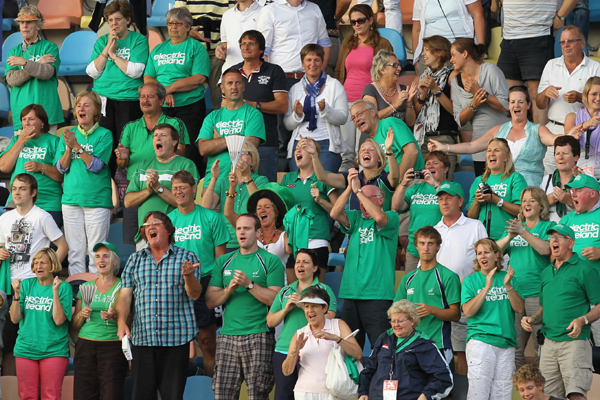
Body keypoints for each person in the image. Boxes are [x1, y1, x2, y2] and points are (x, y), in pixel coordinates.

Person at [116, 211, 202, 400]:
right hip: (143, 340)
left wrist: (188, 276)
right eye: (147, 225)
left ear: (169, 230)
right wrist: (121, 322)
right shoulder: (134, 259)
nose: (150, 227)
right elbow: (124, 297)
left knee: (173, 396)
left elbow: (195, 294)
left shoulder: (187, 257)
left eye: (156, 223)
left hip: (175, 341)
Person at [206, 213, 284, 400]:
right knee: (222, 395)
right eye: (239, 228)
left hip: (259, 335)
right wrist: (228, 290)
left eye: (247, 228)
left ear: (258, 232)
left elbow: (276, 300)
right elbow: (210, 301)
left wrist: (249, 285)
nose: (241, 232)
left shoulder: (271, 261)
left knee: (258, 394)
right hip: (227, 336)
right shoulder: (223, 261)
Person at [431, 86, 570, 187]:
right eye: (512, 102)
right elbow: (472, 146)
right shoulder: (499, 130)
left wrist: (569, 135)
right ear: (508, 105)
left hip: (529, 192)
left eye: (521, 102)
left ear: (528, 105)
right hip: (502, 189)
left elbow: (554, 139)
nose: (516, 105)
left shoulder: (538, 129)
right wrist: (444, 147)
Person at [522, 223, 600, 400]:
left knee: (576, 394)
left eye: (559, 237)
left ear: (571, 243)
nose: (553, 240)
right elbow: (544, 308)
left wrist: (582, 320)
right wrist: (532, 318)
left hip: (574, 343)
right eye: (551, 237)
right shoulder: (546, 272)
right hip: (548, 344)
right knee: (548, 396)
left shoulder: (585, 269)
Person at [0, 173, 68, 377]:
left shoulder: (42, 216)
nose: (17, 192)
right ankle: (12, 391)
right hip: (9, 288)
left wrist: (48, 272)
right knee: (9, 346)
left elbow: (63, 246)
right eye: (14, 188)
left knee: (30, 344)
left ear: (33, 192)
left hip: (33, 287)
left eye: (22, 188)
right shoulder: (4, 218)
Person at [168, 170, 230, 378]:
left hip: (206, 283)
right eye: (175, 188)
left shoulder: (211, 218)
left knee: (207, 342)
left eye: (182, 187)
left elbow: (221, 259)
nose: (178, 192)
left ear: (194, 189)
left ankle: (212, 387)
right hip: (177, 286)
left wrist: (217, 286)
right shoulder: (168, 221)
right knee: (177, 344)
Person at [256, 0, 331, 171]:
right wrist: (271, 81)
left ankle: (312, 178)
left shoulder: (314, 9)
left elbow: (325, 44)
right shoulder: (270, 10)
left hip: (311, 80)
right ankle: (283, 180)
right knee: (283, 135)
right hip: (282, 80)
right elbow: (264, 51)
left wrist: (318, 76)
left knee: (312, 132)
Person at [330, 170, 400, 348]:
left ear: (381, 200)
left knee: (382, 348)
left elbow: (379, 217)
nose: (362, 203)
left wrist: (359, 191)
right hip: (351, 293)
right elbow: (334, 213)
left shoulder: (392, 217)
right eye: (360, 199)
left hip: (377, 295)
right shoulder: (355, 218)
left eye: (367, 197)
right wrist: (349, 188)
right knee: (350, 349)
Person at [116, 82, 190, 244]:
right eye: (142, 97)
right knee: (136, 244)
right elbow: (122, 164)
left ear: (162, 100)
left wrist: (160, 160)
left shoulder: (175, 124)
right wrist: (123, 157)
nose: (145, 100)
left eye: (150, 96)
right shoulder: (130, 127)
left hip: (168, 188)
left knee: (170, 242)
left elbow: (181, 154)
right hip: (136, 190)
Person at [86, 0, 149, 177]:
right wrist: (107, 49)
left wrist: (113, 55)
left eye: (118, 19)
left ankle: (127, 183)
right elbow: (92, 72)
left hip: (128, 100)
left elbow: (136, 71)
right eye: (110, 20)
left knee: (125, 144)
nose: (114, 23)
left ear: (128, 20)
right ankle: (108, 182)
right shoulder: (102, 42)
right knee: (106, 143)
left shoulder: (138, 40)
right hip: (103, 100)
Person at [144, 7, 210, 170]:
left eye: (178, 23)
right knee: (163, 149)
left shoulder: (196, 47)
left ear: (188, 27)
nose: (173, 27)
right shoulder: (158, 49)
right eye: (170, 23)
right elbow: (148, 78)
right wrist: (164, 92)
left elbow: (198, 78)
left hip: (190, 107)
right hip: (162, 108)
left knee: (190, 152)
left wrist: (168, 90)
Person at [496, 187, 555, 369]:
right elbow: (493, 253)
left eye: (532, 200)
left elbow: (546, 249)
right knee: (514, 349)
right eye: (524, 201)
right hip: (515, 293)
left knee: (541, 348)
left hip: (538, 295)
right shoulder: (514, 227)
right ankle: (518, 385)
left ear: (541, 206)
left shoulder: (548, 227)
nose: (526, 204)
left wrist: (523, 232)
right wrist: (509, 237)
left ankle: (541, 386)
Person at [433, 181, 487, 375]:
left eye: (449, 198)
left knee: (465, 352)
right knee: (441, 350)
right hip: (438, 300)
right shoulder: (434, 230)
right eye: (441, 199)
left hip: (466, 297)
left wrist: (469, 282)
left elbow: (485, 260)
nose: (444, 202)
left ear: (460, 201)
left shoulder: (475, 226)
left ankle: (466, 390)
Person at [56, 91, 113, 275]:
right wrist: (68, 148)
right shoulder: (68, 135)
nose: (81, 108)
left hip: (97, 201)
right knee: (74, 253)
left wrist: (77, 147)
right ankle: (77, 289)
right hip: (71, 200)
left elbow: (96, 165)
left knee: (97, 253)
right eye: (78, 105)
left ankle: (96, 290)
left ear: (96, 111)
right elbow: (61, 167)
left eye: (86, 105)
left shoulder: (105, 134)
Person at [496, 0, 578, 124]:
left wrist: (561, 16)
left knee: (538, 93)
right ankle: (518, 135)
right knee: (511, 94)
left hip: (538, 32)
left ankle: (541, 135)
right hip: (509, 36)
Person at [462, 238, 524, 400]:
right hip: (481, 342)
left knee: (502, 396)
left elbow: (519, 308)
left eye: (486, 252)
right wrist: (486, 287)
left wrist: (508, 286)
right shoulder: (470, 280)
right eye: (479, 253)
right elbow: (468, 312)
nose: (482, 256)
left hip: (506, 344)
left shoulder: (508, 278)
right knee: (479, 395)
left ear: (496, 255)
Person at [269, 257, 338, 400]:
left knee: (310, 394)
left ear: (315, 268)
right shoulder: (285, 291)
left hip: (314, 350)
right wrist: (286, 309)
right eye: (297, 262)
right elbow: (270, 322)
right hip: (285, 349)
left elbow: (330, 315)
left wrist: (303, 305)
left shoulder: (324, 289)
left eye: (305, 262)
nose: (300, 265)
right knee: (283, 395)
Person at [335, 5, 393, 172]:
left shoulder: (382, 43)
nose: (356, 25)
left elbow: (389, 72)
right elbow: (339, 70)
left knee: (365, 150)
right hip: (346, 100)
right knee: (346, 153)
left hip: (367, 103)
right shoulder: (348, 42)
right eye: (353, 22)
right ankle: (347, 185)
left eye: (360, 20)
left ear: (371, 20)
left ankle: (366, 184)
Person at [358, 299, 454, 400]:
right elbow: (369, 369)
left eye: (400, 321)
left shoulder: (424, 345)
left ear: (412, 321)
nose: (396, 325)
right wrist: (363, 392)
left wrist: (426, 395)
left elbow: (444, 378)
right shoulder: (384, 338)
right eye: (393, 321)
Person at [10, 248, 72, 400]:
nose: (38, 266)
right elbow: (14, 319)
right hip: (26, 349)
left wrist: (55, 292)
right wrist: (16, 295)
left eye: (43, 263)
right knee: (26, 396)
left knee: (51, 396)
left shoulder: (64, 287)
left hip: (54, 350)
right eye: (36, 263)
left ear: (52, 265)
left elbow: (59, 320)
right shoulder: (26, 285)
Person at [124, 123, 199, 249]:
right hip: (147, 234)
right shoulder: (142, 166)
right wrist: (148, 190)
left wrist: (158, 187)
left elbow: (187, 202)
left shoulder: (185, 165)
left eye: (163, 135)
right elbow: (127, 202)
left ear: (174, 142)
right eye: (155, 136)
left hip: (175, 234)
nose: (158, 138)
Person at [537, 26, 600, 174]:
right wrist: (545, 93)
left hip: (584, 133)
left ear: (582, 43)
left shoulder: (595, 67)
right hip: (554, 129)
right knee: (552, 177)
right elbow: (540, 104)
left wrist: (580, 97)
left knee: (581, 179)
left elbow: (598, 99)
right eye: (562, 42)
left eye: (570, 41)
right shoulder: (551, 65)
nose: (566, 45)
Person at [394, 226, 461, 361]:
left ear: (438, 247)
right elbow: (395, 312)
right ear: (416, 246)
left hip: (438, 345)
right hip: (409, 345)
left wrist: (432, 310)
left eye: (430, 243)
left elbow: (456, 314)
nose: (426, 248)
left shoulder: (448, 276)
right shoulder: (408, 279)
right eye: (422, 243)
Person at [283, 287, 362, 399]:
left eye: (314, 306)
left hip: (335, 391)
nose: (310, 310)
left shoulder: (338, 324)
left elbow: (358, 354)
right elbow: (287, 371)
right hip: (304, 392)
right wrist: (295, 351)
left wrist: (336, 338)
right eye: (306, 306)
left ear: (325, 308)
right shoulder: (299, 333)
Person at [72, 242, 127, 400]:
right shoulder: (86, 287)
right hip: (85, 344)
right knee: (83, 394)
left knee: (112, 393)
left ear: (115, 261)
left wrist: (113, 316)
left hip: (112, 345)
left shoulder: (123, 286)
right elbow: (75, 325)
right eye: (97, 256)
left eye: (106, 256)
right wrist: (81, 315)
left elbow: (128, 320)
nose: (101, 260)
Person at [232, 30, 288, 182]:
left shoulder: (274, 71)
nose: (246, 47)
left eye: (251, 43)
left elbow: (282, 106)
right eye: (243, 43)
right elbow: (224, 105)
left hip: (266, 142)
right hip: (236, 143)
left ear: (261, 49)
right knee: (237, 188)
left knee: (265, 189)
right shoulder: (233, 71)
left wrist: (253, 105)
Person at [197, 67, 265, 188]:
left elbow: (249, 147)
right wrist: (233, 139)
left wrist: (217, 142)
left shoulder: (254, 114)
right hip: (213, 183)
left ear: (243, 86)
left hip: (243, 182)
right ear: (222, 88)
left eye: (238, 83)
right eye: (229, 83)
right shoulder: (212, 117)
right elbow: (203, 148)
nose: (234, 87)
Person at [450, 38, 510, 176]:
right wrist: (473, 105)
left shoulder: (490, 70)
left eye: (453, 55)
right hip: (479, 148)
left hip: (502, 143)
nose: (451, 60)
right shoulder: (455, 81)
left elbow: (507, 106)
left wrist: (480, 93)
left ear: (465, 54)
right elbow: (459, 120)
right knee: (483, 187)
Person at [285, 44, 348, 173]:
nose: (312, 64)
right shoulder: (295, 89)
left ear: (322, 62)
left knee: (324, 184)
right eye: (308, 60)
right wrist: (297, 115)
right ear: (302, 63)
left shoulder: (334, 85)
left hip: (326, 145)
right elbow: (287, 125)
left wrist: (326, 110)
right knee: (300, 182)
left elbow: (343, 118)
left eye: (317, 60)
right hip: (300, 143)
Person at [281, 139, 338, 280]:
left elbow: (338, 212)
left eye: (303, 148)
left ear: (314, 153)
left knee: (316, 290)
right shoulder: (287, 178)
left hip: (317, 238)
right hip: (293, 242)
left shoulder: (325, 177)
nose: (297, 151)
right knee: (293, 289)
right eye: (296, 148)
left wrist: (320, 201)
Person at [0, 105, 63, 223]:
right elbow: (4, 167)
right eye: (24, 119)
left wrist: (41, 167)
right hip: (18, 201)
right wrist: (21, 141)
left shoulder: (54, 141)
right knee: (15, 234)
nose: (27, 123)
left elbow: (61, 176)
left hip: (47, 202)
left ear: (42, 122)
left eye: (31, 119)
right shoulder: (16, 140)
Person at [6, 6, 63, 134]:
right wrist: (36, 64)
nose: (24, 26)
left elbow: (47, 72)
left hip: (47, 114)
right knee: (23, 148)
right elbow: (12, 80)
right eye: (21, 22)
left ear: (38, 26)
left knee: (48, 148)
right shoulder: (14, 51)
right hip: (22, 115)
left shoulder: (50, 47)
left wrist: (25, 63)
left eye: (29, 22)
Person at [202, 141, 269, 252]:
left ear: (252, 161)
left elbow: (260, 205)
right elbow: (206, 207)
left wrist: (247, 177)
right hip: (225, 240)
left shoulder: (261, 180)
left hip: (252, 239)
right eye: (236, 153)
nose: (238, 157)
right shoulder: (223, 181)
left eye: (243, 153)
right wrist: (214, 178)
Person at [392, 151, 450, 272]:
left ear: (446, 169)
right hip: (415, 249)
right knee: (412, 282)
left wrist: (435, 184)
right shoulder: (416, 188)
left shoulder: (451, 187)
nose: (430, 166)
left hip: (440, 248)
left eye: (435, 163)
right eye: (428, 163)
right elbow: (396, 206)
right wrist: (403, 184)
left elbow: (450, 205)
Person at [310, 134, 398, 212]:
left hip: (378, 225)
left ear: (379, 158)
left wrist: (389, 151)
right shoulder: (353, 178)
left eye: (371, 150)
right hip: (355, 226)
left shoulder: (384, 178)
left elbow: (395, 177)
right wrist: (314, 156)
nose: (366, 151)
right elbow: (323, 177)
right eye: (363, 150)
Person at [413, 36, 460, 180]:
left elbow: (455, 111)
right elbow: (416, 114)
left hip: (444, 138)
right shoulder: (423, 76)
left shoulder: (453, 75)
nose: (423, 54)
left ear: (439, 52)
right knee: (423, 186)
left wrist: (435, 89)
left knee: (443, 186)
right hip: (423, 139)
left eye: (427, 50)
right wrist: (422, 96)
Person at [465, 138, 528, 240]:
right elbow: (471, 217)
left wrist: (497, 200)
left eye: (497, 150)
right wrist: (476, 201)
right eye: (489, 150)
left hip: (508, 238)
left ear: (506, 157)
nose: (491, 153)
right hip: (483, 240)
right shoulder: (478, 180)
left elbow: (523, 210)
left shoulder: (515, 178)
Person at [175, 0, 231, 111]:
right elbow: (177, 17)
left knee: (220, 93)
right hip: (192, 50)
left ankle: (221, 119)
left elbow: (234, 19)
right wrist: (188, 32)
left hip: (218, 51)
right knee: (188, 91)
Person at [350, 100, 425, 180]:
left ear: (372, 112)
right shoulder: (371, 142)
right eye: (353, 118)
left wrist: (397, 182)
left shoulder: (389, 124)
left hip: (412, 182)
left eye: (360, 114)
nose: (356, 119)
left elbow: (412, 151)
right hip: (387, 184)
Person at [412, 0, 485, 75]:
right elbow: (417, 30)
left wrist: (481, 49)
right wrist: (416, 60)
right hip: (431, 48)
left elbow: (477, 15)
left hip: (459, 45)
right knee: (425, 80)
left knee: (462, 80)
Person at [362, 49, 417, 126]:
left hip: (399, 133)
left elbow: (410, 123)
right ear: (382, 70)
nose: (399, 68)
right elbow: (371, 118)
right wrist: (395, 105)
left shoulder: (404, 89)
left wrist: (409, 103)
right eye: (394, 65)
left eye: (399, 65)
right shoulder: (370, 89)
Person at [559, 174, 600, 270]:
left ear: (592, 193)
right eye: (572, 190)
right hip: (570, 276)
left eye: (578, 190)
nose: (572, 194)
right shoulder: (566, 219)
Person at [564, 76, 600, 178]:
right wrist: (586, 125)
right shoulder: (572, 117)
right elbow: (567, 142)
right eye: (594, 94)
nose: (598, 98)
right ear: (586, 95)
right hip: (578, 170)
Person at [216, 0, 263, 73]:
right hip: (230, 71)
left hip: (256, 72)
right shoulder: (227, 15)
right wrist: (221, 50)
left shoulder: (264, 12)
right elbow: (225, 44)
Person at [540, 136, 579, 222]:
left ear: (576, 157)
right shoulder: (546, 180)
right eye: (557, 154)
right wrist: (546, 202)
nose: (561, 157)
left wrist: (570, 202)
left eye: (565, 153)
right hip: (550, 228)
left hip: (576, 227)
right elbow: (536, 212)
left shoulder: (585, 179)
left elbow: (592, 211)